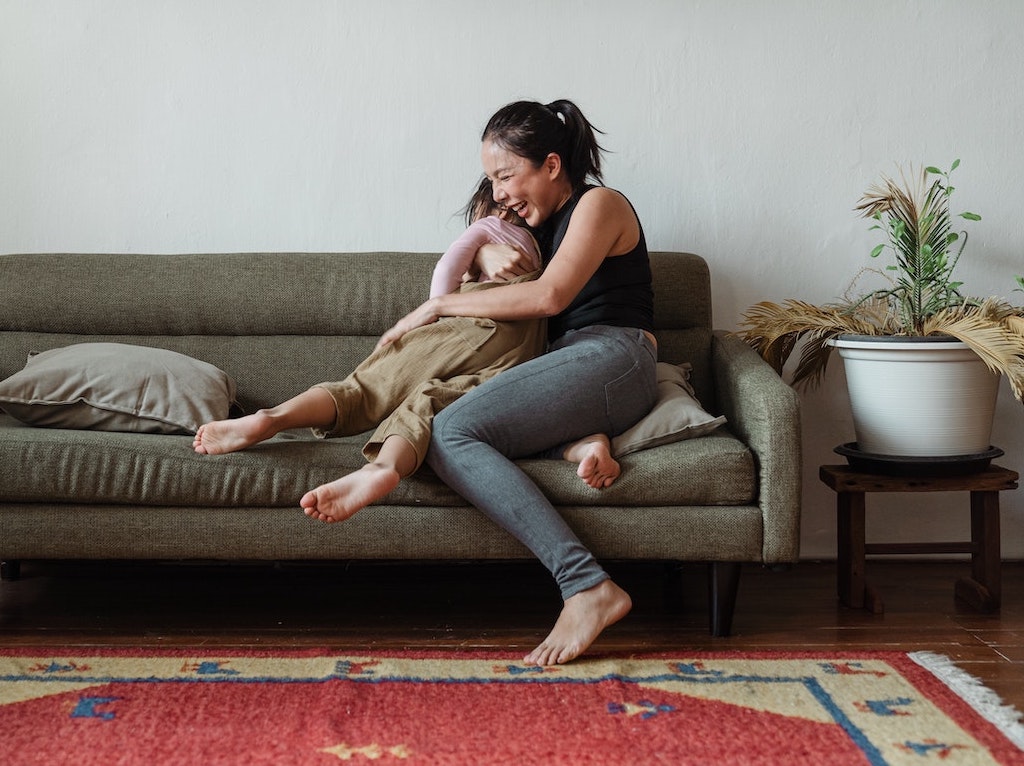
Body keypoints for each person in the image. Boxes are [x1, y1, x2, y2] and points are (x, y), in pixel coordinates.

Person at [375, 99, 658, 667]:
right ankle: (581, 440)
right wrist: (483, 248)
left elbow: (549, 296)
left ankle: (587, 586)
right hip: (565, 366)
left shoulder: (599, 204)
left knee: (452, 432)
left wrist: (435, 308)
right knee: (454, 420)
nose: (499, 191)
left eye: (506, 175)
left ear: (552, 165)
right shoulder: (537, 225)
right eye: (492, 180)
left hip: (614, 354)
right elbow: (493, 257)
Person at [193, 179, 622, 523]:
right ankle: (383, 469)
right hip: (521, 353)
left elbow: (447, 267)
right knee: (431, 402)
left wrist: (439, 309)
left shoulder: (488, 229)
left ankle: (273, 418)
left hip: (476, 327)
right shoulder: (549, 247)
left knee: (364, 389)